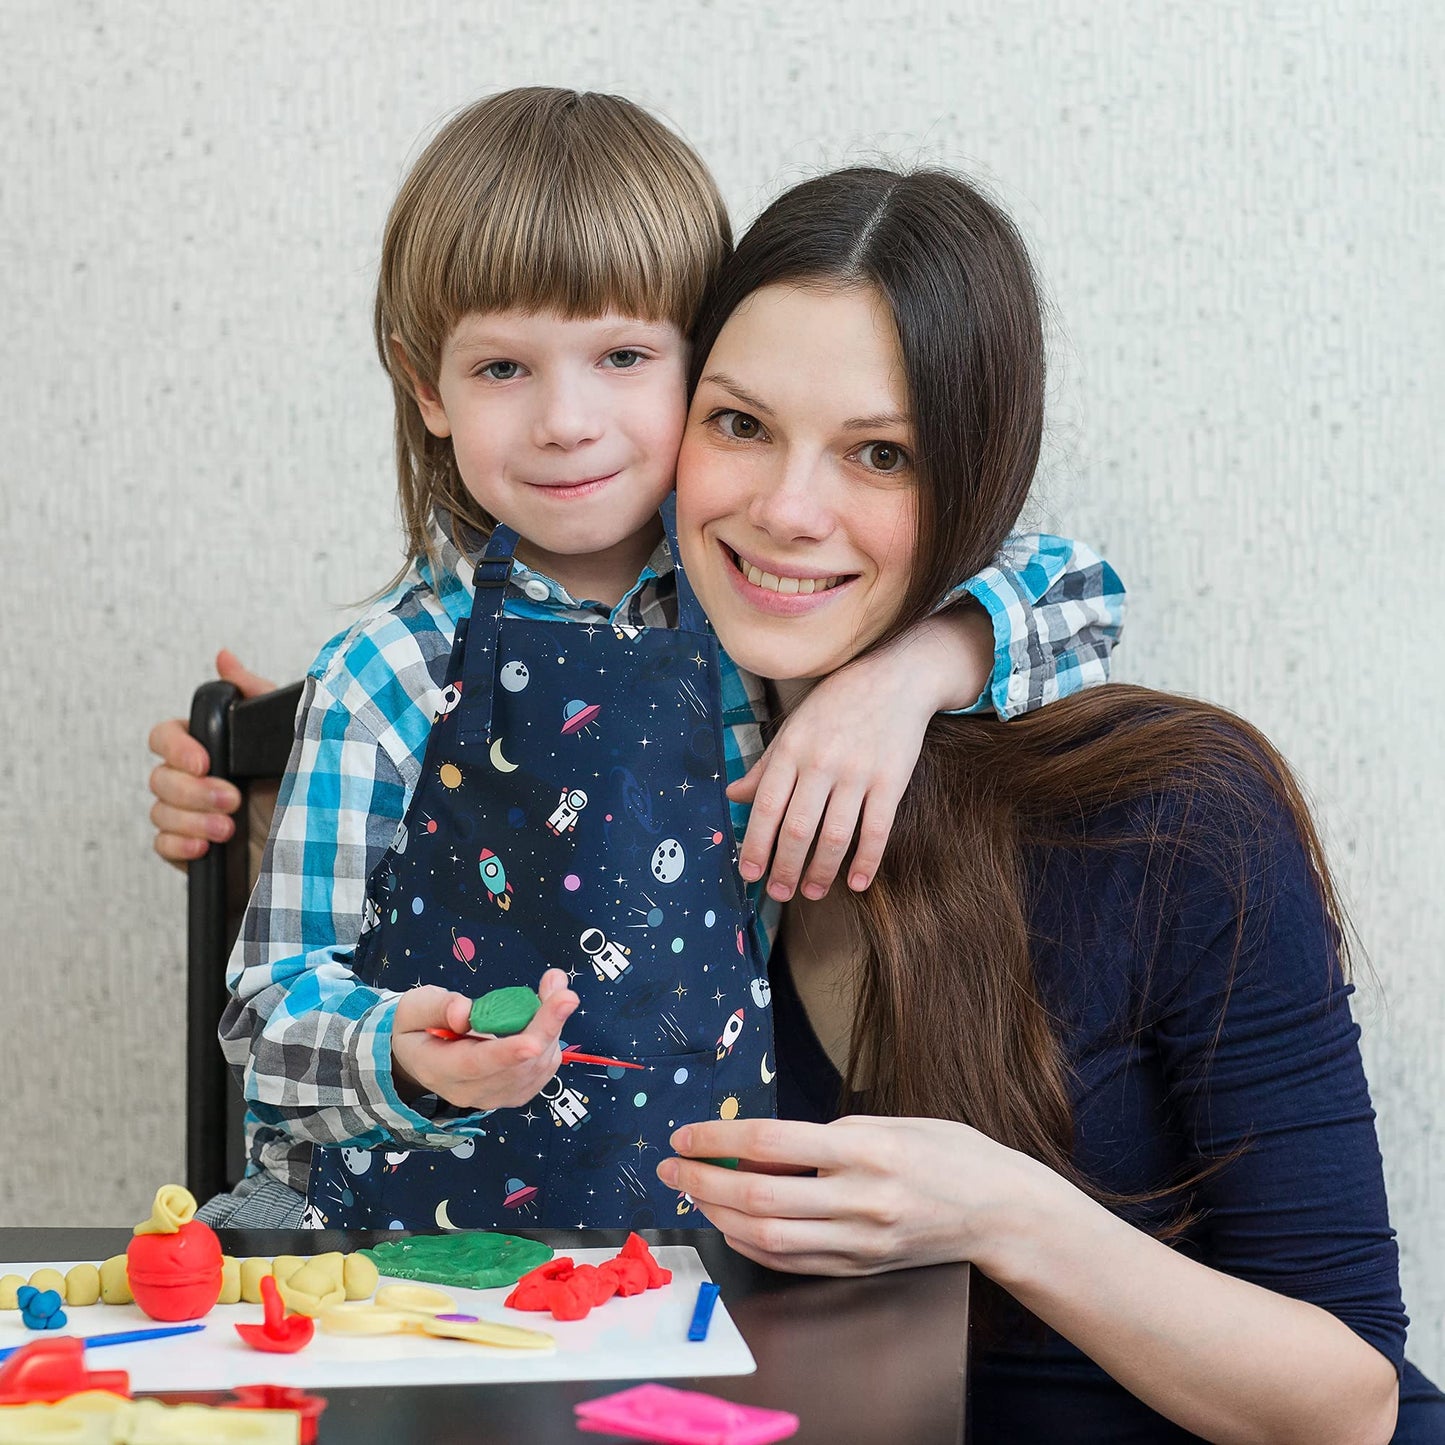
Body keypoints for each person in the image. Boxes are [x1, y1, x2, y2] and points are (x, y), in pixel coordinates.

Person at [165, 89, 1126, 1231]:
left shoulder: (753, 613)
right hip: (386, 1239)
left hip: (680, 1245)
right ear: (427, 385)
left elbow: (1081, 589)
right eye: (500, 369)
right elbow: (266, 1021)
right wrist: (404, 1052)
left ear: (698, 365)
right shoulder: (386, 669)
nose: (566, 420)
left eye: (621, 354)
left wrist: (908, 671)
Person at [657, 166, 1444, 1441]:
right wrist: (227, 783)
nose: (785, 507)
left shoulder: (1171, 814)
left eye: (879, 452)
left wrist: (998, 1211)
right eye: (738, 424)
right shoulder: (636, 810)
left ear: (973, 479)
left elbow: (1349, 1401)